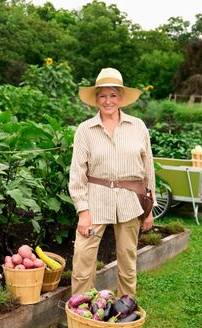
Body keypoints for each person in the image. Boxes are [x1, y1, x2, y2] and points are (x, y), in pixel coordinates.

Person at [68, 67, 155, 297]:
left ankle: (127, 308)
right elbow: (77, 173)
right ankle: (79, 309)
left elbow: (148, 170)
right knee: (83, 259)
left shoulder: (138, 127)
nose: (108, 101)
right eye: (103, 95)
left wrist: (149, 209)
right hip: (95, 201)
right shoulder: (85, 130)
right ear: (96, 99)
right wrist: (83, 211)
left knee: (128, 260)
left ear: (121, 98)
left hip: (130, 200)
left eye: (113, 95)